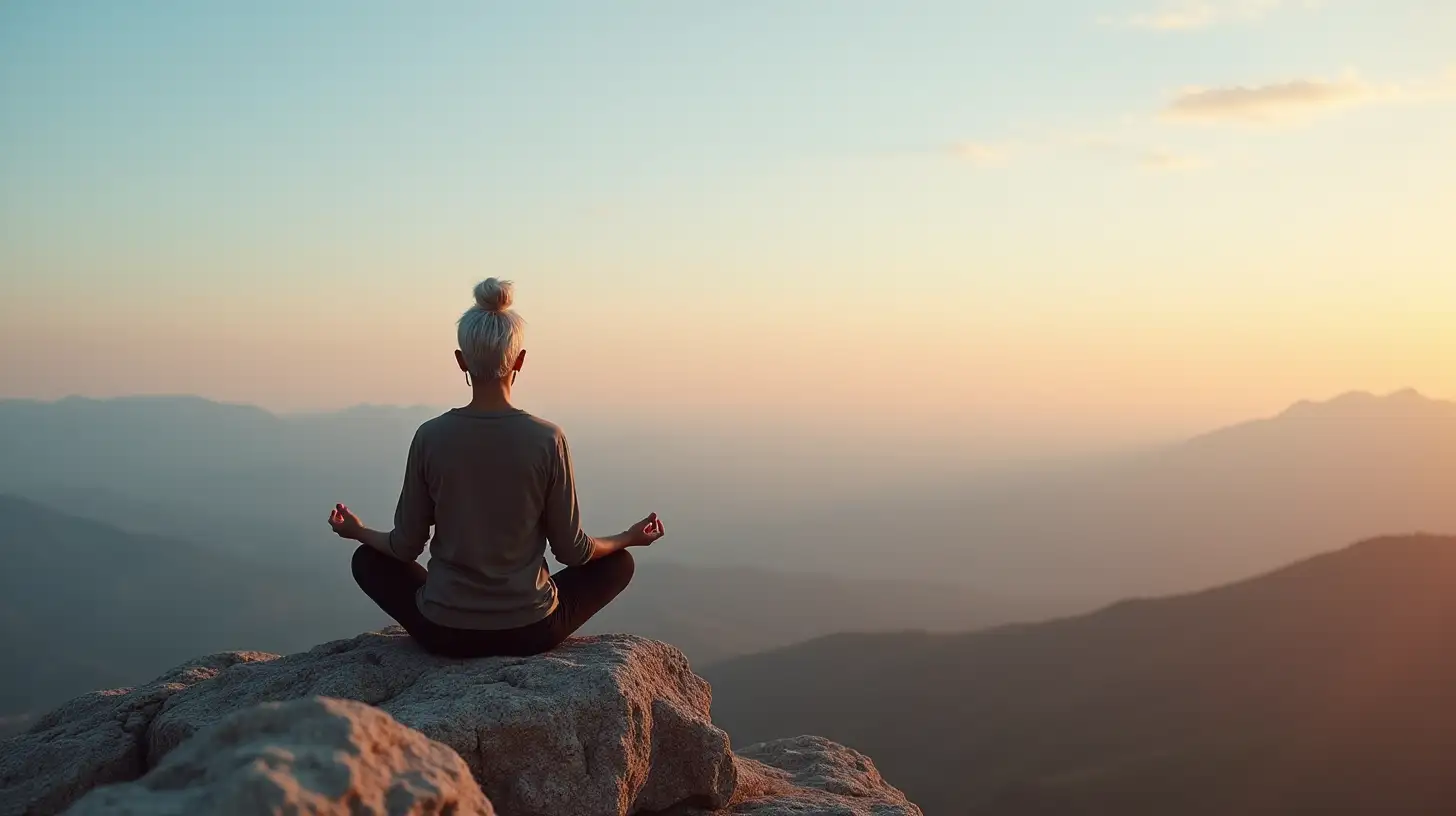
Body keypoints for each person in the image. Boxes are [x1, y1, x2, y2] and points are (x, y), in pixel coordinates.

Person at [327, 278, 664, 658]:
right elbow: (572, 552)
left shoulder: (430, 437)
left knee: (368, 560)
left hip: (444, 632)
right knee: (619, 564)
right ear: (520, 360)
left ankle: (448, 605)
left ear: (461, 360)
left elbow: (404, 547)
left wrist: (357, 531)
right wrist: (628, 538)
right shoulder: (547, 439)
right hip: (530, 631)